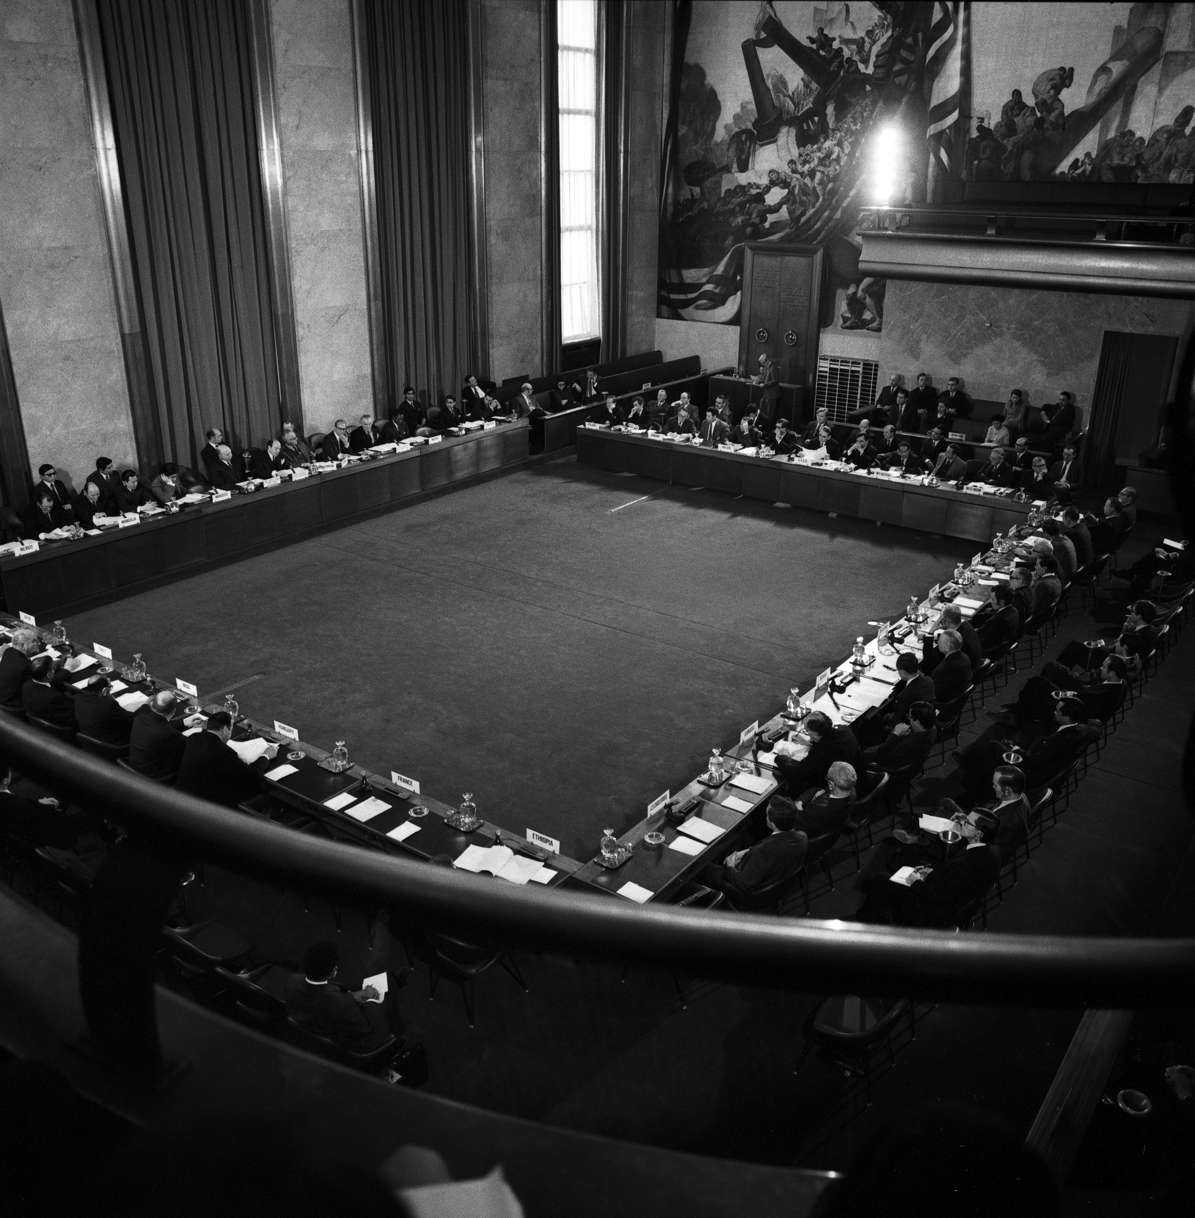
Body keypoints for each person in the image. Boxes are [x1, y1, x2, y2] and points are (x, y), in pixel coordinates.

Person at [286, 941, 400, 1056]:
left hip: (311, 1027)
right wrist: (368, 1001)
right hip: (350, 1043)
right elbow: (363, 1029)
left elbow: (325, 998)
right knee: (386, 1000)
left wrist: (351, 997)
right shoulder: (342, 1004)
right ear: (332, 972)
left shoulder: (292, 981)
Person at [705, 796, 808, 903]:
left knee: (703, 870)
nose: (765, 816)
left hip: (750, 895)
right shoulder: (802, 837)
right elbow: (770, 846)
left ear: (772, 822)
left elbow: (743, 883)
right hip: (776, 878)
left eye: (767, 814)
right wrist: (747, 851)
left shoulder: (763, 852)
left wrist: (730, 866)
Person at [174, 710, 278, 808]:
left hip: (181, 797)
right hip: (208, 807)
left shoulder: (194, 738)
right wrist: (266, 756)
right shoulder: (225, 752)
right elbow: (252, 776)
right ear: (224, 729)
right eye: (231, 728)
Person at [938, 765, 1030, 861]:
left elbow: (987, 850)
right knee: (946, 802)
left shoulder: (1010, 822)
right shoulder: (1018, 795)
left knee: (941, 820)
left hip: (974, 848)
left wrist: (969, 831)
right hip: (978, 828)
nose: (993, 787)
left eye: (995, 785)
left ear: (1007, 791)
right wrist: (967, 819)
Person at [773, 711, 861, 795]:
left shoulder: (820, 752)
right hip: (853, 775)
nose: (808, 735)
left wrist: (781, 758)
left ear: (814, 733)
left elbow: (799, 773)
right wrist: (810, 743)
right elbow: (831, 744)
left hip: (828, 786)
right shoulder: (844, 730)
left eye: (807, 731)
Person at [127, 691, 185, 781]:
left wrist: (183, 723)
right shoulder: (171, 735)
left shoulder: (139, 719)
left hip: (134, 768)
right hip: (156, 778)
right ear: (173, 712)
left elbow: (158, 726)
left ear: (152, 705)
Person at [863, 700, 936, 773]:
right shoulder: (933, 729)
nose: (908, 718)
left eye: (909, 716)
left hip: (888, 766)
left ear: (916, 721)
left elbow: (881, 755)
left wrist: (895, 734)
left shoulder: (909, 744)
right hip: (905, 760)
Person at [793, 761, 858, 838]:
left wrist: (799, 808)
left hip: (813, 837)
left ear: (831, 784)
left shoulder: (818, 808)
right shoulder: (852, 791)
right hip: (834, 828)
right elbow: (818, 790)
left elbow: (801, 821)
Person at [73, 674, 134, 747]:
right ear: (104, 690)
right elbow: (130, 718)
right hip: (112, 745)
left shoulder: (78, 698)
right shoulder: (108, 704)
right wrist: (145, 706)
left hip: (89, 742)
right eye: (110, 687)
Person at [21, 655, 75, 730]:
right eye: (52, 669)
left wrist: (66, 669)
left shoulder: (26, 685)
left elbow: (52, 680)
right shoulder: (53, 697)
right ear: (48, 675)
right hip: (62, 730)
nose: (54, 670)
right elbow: (73, 715)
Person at [926, 628, 972, 705]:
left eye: (939, 641)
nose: (937, 643)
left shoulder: (942, 670)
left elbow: (933, 693)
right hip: (957, 692)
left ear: (947, 647)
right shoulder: (964, 656)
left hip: (943, 702)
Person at [0, 628, 40, 711]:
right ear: (22, 645)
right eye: (34, 641)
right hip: (15, 706)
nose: (38, 643)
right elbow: (40, 681)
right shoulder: (24, 666)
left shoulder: (8, 651)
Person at [975, 584, 1022, 650]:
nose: (990, 601)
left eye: (993, 599)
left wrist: (972, 631)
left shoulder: (999, 620)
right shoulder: (1013, 610)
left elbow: (983, 639)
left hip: (988, 649)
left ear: (1002, 602)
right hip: (1003, 641)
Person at [755, 353, 780, 426]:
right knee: (761, 407)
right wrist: (758, 380)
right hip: (766, 393)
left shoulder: (773, 367)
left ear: (765, 361)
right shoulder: (766, 367)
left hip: (772, 395)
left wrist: (764, 385)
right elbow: (764, 377)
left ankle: (768, 428)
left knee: (770, 414)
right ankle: (763, 425)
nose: (762, 365)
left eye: (762, 363)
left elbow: (775, 380)